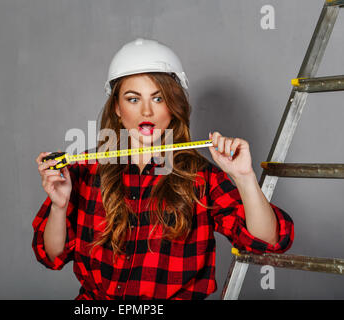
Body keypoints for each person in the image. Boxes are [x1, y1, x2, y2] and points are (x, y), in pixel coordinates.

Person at [32, 38, 294, 300]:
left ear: (173, 105)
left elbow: (270, 241)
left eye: (158, 98)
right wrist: (59, 205)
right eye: (133, 99)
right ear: (117, 108)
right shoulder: (85, 169)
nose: (147, 111)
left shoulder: (200, 176)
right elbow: (52, 256)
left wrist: (244, 177)